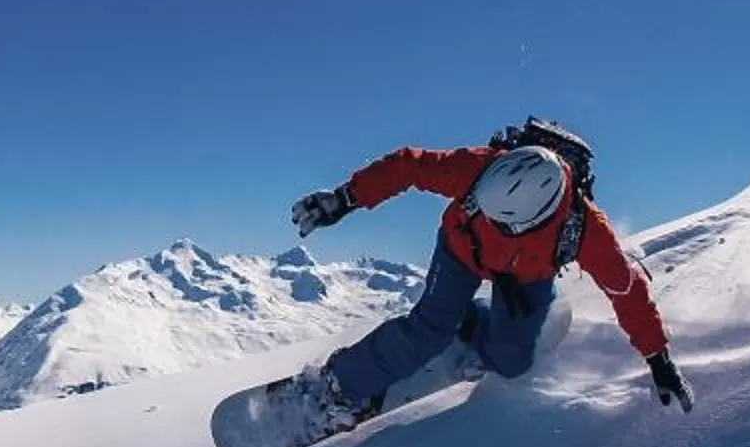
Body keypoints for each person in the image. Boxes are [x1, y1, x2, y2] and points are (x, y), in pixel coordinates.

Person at [290, 123, 691, 430]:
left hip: (526, 277)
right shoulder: (479, 167)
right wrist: (345, 198)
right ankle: (339, 384)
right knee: (428, 329)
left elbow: (627, 292)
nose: (488, 219)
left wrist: (658, 360)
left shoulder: (586, 231)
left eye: (502, 221)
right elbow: (409, 165)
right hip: (461, 250)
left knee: (511, 362)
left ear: (537, 218)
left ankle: (472, 325)